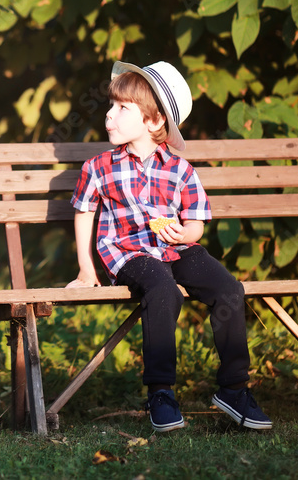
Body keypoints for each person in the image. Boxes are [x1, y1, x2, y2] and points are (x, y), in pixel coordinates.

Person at [67, 60, 271, 433]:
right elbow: (84, 213)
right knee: (163, 289)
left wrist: (184, 234)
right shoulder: (99, 167)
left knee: (229, 289)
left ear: (155, 121)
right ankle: (160, 392)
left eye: (122, 108)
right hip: (129, 253)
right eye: (111, 105)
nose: (109, 115)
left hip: (173, 249)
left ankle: (234, 389)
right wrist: (85, 269)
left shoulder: (180, 169)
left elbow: (195, 223)